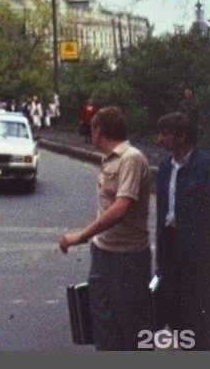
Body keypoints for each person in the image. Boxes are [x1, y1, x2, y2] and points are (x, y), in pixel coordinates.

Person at [59, 106, 153, 350]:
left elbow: (122, 207)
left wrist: (81, 235)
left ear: (98, 129)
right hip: (103, 252)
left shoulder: (131, 158)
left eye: (92, 127)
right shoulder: (108, 159)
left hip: (127, 257)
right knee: (103, 322)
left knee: (131, 326)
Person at [154, 111, 210, 350]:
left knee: (197, 303)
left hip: (196, 245)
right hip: (169, 240)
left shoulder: (205, 166)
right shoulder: (165, 166)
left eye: (165, 134)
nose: (160, 139)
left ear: (182, 136)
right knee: (170, 299)